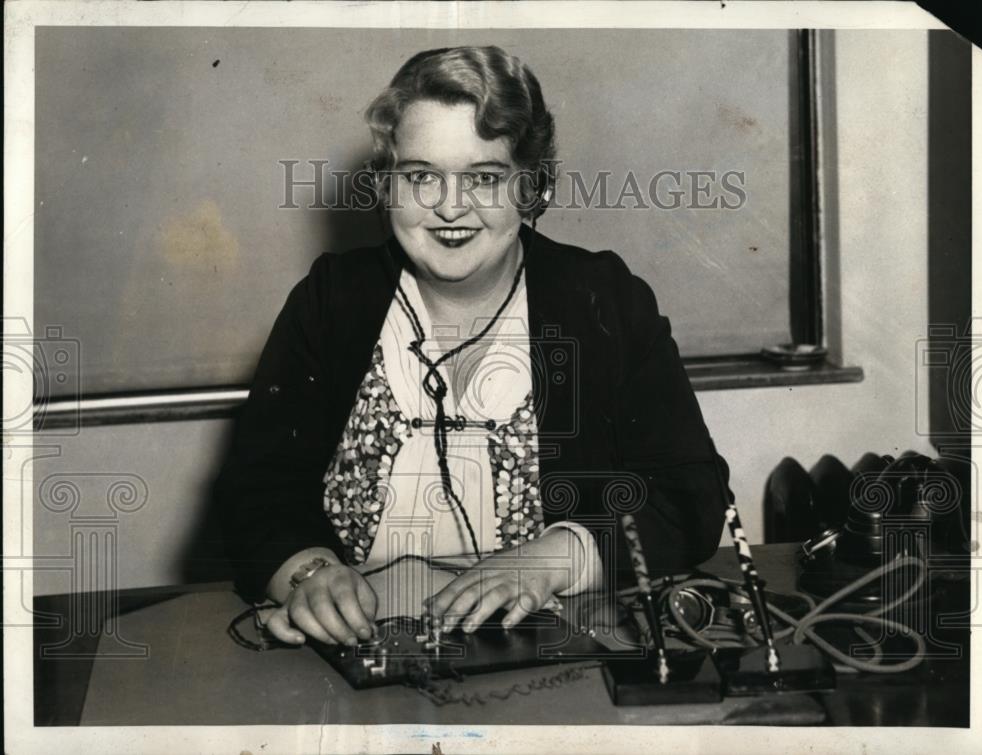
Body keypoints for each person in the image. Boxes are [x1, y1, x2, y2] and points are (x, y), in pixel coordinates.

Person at [218, 45, 731, 648]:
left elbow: (688, 494)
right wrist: (309, 573)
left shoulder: (604, 299)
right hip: (355, 652)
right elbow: (255, 492)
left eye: (484, 177)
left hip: (550, 657)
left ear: (531, 186)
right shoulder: (331, 300)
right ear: (387, 185)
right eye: (420, 176)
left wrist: (553, 559)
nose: (450, 207)